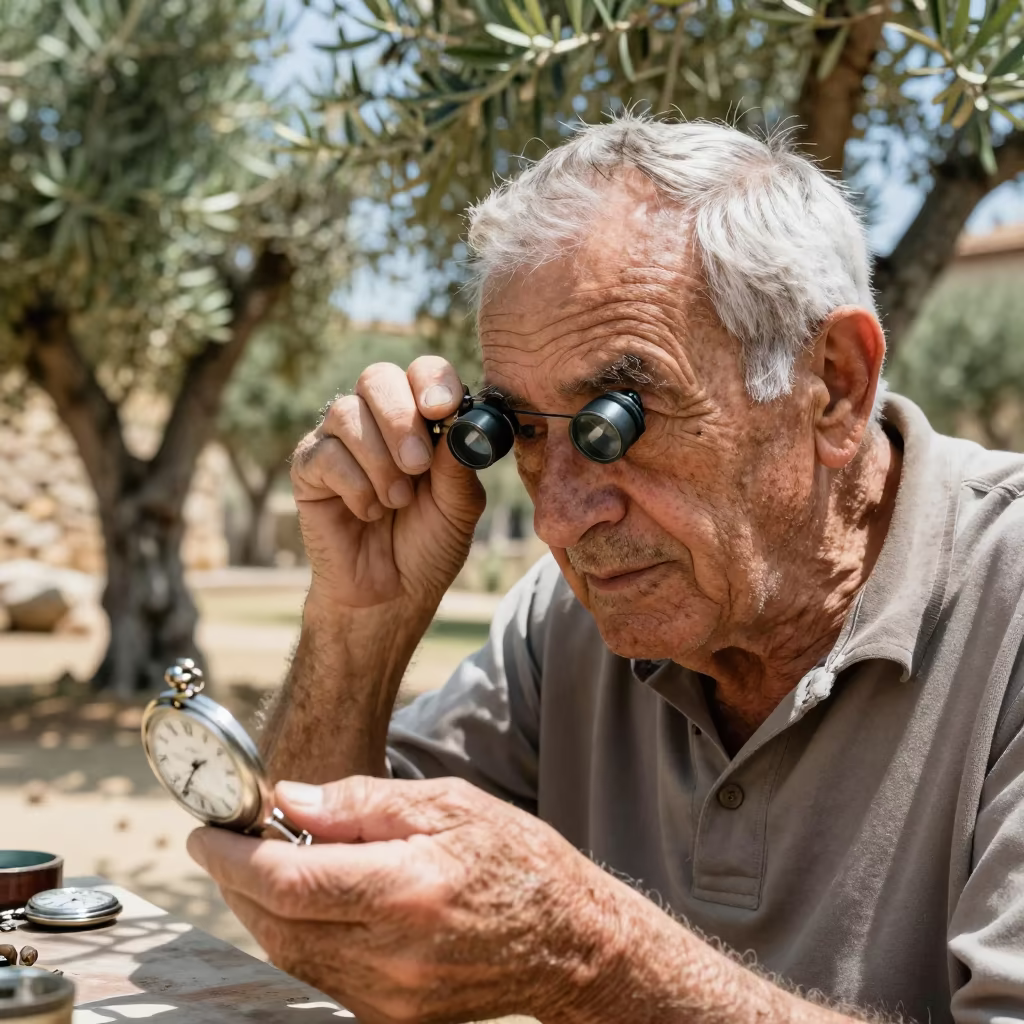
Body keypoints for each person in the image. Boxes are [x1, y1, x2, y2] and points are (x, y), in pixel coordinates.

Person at [187, 114, 1024, 1024]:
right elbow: (314, 903)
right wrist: (360, 622)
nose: (560, 517)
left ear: (834, 384)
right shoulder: (566, 621)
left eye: (617, 421)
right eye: (525, 435)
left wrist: (590, 956)